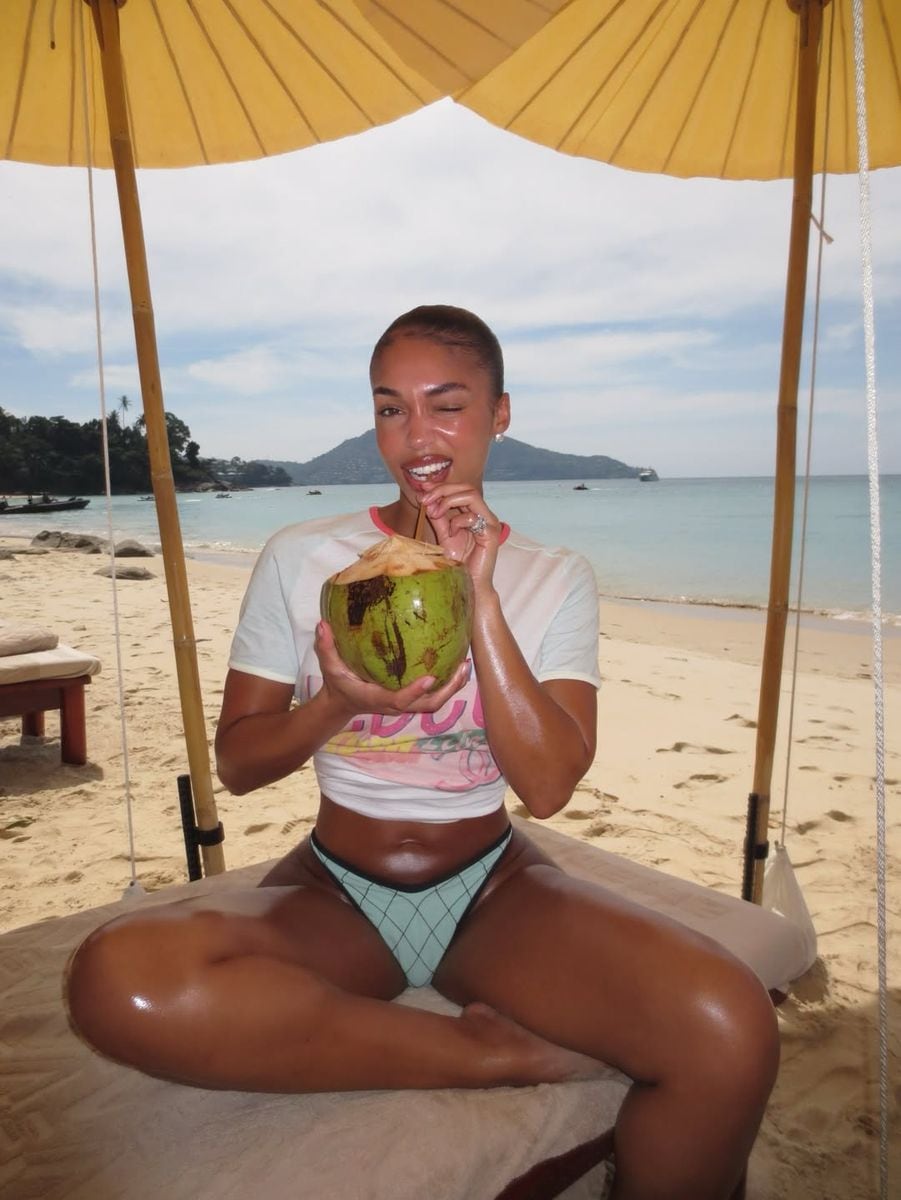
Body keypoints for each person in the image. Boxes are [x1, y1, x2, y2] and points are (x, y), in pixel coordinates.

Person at [66, 305, 779, 1199]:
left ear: (499, 413)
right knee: (117, 982)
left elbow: (549, 784)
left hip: (493, 885)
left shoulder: (554, 576)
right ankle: (481, 1053)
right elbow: (240, 766)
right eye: (390, 409)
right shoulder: (302, 557)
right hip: (333, 888)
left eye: (446, 405)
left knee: (730, 1027)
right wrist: (337, 702)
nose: (416, 437)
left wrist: (476, 591)